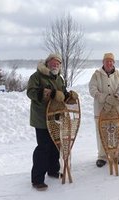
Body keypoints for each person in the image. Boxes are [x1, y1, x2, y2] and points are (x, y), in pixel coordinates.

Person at [26, 54, 79, 191]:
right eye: (53, 63)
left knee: (56, 145)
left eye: (58, 64)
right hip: (42, 119)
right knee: (43, 147)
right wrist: (51, 94)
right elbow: (31, 92)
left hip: (56, 117)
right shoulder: (37, 76)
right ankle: (37, 179)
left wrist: (69, 96)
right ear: (47, 63)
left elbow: (62, 94)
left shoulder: (59, 78)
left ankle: (53, 170)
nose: (55, 66)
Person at [88, 53, 119, 167]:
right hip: (100, 109)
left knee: (116, 131)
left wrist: (116, 97)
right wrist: (103, 97)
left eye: (111, 61)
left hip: (116, 109)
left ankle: (115, 154)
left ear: (114, 63)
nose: (109, 63)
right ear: (103, 62)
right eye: (107, 61)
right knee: (101, 132)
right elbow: (92, 88)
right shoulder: (96, 74)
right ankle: (102, 156)